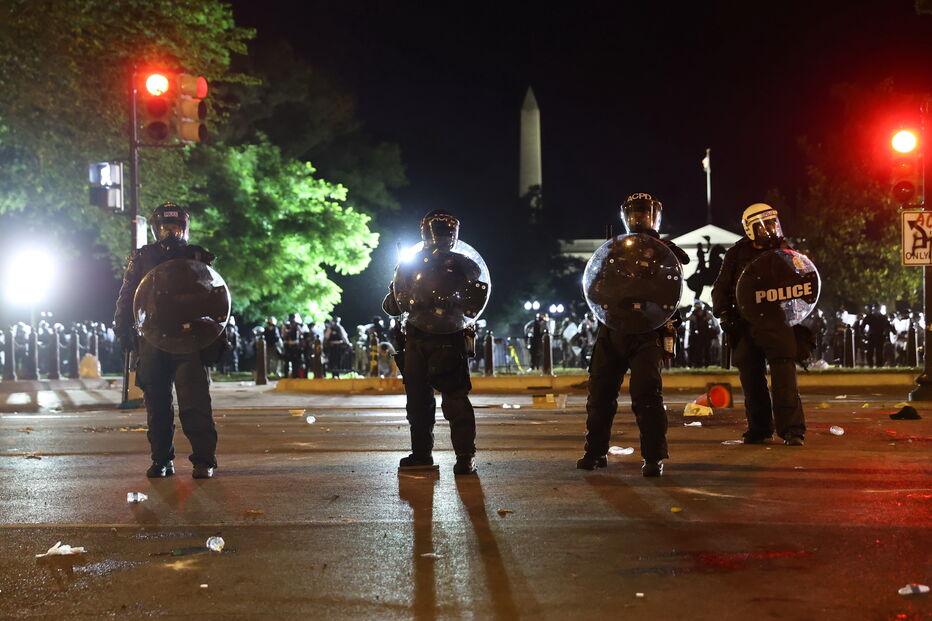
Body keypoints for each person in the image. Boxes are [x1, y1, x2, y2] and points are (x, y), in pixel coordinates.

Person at [577, 193, 689, 477]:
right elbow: (595, 285)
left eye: (646, 214)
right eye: (635, 214)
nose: (640, 219)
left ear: (656, 217)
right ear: (625, 217)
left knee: (647, 395)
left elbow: (674, 281)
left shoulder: (666, 251)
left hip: (648, 330)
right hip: (613, 327)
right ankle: (595, 451)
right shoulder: (613, 249)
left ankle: (653, 457)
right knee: (600, 393)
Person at [113, 202, 220, 478]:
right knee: (157, 405)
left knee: (195, 402)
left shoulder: (197, 256)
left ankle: (203, 460)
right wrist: (123, 329)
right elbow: (128, 296)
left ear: (184, 228)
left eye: (174, 227)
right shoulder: (142, 257)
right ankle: (162, 459)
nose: (169, 232)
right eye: (164, 227)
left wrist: (216, 336)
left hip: (188, 338)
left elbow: (214, 296)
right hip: (153, 337)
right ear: (155, 229)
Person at [383, 209, 484, 476]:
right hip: (436, 338)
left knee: (428, 401)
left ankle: (429, 455)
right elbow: (395, 303)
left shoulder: (411, 263)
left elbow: (392, 306)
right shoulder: (464, 264)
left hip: (428, 338)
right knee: (446, 400)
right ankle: (458, 458)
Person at [711, 203, 806, 446]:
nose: (770, 229)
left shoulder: (786, 252)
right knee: (752, 382)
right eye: (763, 225)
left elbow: (803, 284)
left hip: (777, 322)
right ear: (750, 228)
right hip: (745, 323)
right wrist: (723, 312)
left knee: (785, 380)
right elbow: (721, 286)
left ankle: (792, 430)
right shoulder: (736, 254)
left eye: (773, 222)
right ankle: (760, 429)